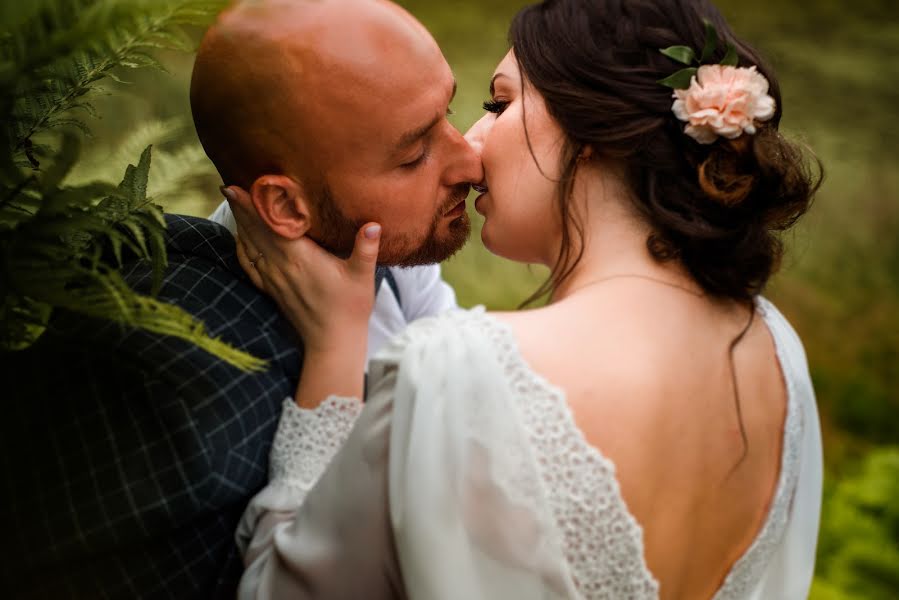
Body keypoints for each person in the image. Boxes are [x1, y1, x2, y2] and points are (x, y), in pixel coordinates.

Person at [228, 0, 825, 598]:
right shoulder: (776, 349)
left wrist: (333, 348)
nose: (473, 147)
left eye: (500, 103)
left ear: (591, 128)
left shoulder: (454, 373)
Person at [1, 0, 481, 597]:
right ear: (283, 207)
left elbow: (468, 392)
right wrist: (337, 342)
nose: (471, 161)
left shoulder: (383, 251)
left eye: (450, 113)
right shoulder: (179, 385)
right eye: (414, 155)